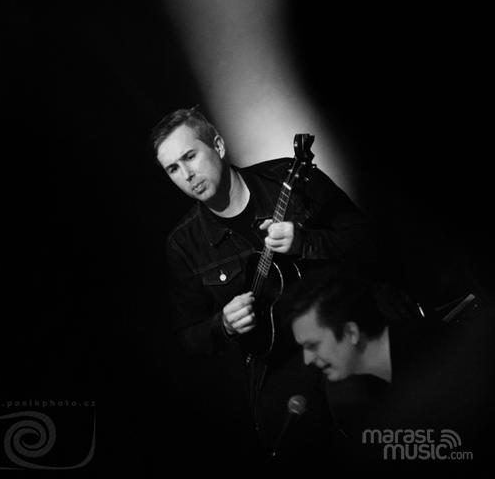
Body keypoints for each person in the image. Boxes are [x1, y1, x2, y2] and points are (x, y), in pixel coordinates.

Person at [151, 105, 378, 463]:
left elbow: (367, 241)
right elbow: (188, 338)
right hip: (278, 364)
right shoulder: (183, 245)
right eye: (173, 169)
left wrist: (305, 241)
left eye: (190, 156)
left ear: (218, 146)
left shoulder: (288, 179)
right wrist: (222, 324)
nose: (187, 175)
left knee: (368, 413)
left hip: (341, 326)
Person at [285, 262, 495, 467]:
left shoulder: (442, 354)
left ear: (351, 332)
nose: (307, 359)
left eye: (313, 345)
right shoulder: (346, 400)